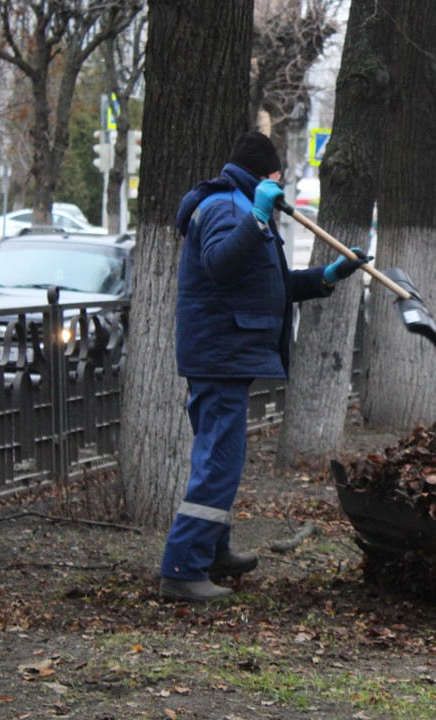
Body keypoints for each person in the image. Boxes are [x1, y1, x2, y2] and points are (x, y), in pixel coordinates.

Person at [159, 130, 368, 603]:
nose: (281, 187)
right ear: (268, 175)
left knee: (220, 458)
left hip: (226, 354)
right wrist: (256, 218)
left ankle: (213, 552)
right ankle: (182, 568)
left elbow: (268, 286)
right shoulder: (227, 208)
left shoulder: (241, 207)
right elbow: (220, 265)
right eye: (279, 178)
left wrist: (328, 277)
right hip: (219, 356)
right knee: (219, 462)